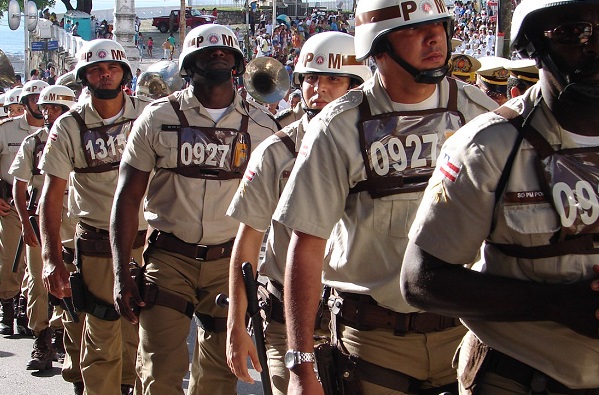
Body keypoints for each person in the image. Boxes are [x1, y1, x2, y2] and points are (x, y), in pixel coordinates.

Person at [271, 0, 498, 393]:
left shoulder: (482, 114)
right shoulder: (336, 128)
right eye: (413, 30)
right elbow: (306, 246)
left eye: (439, 26)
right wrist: (301, 365)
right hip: (373, 343)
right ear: (378, 47)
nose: (434, 38)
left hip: (469, 330)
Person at [401, 0, 599, 394]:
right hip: (519, 375)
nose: (594, 47)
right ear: (533, 46)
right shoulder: (488, 146)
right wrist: (556, 304)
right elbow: (421, 279)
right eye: (573, 32)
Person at [110, 24, 278, 395]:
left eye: (226, 52)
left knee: (219, 376)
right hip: (169, 258)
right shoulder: (156, 118)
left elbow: (278, 206)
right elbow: (127, 196)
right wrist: (122, 270)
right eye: (206, 52)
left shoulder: (264, 126)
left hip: (230, 262)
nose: (217, 55)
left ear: (237, 62)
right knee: (160, 372)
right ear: (188, 64)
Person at [226, 31, 372, 395]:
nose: (318, 89)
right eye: (310, 78)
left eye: (332, 79)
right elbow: (247, 245)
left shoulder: (378, 147)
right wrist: (235, 326)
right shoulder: (275, 152)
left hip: (356, 322)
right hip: (284, 322)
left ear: (357, 85)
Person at [39, 39, 145, 395]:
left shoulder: (149, 114)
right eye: (96, 69)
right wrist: (51, 259)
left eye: (112, 67)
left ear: (124, 72)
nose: (105, 74)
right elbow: (50, 198)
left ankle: (128, 388)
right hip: (96, 244)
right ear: (84, 76)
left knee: (140, 334)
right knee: (102, 333)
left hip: (148, 243)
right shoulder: (68, 126)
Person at [8, 84, 77, 372]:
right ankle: (41, 337)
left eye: (56, 108)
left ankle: (64, 335)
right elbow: (19, 186)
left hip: (74, 221)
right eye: (46, 108)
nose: (49, 113)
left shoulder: (82, 139)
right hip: (41, 220)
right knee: (38, 282)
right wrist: (25, 223)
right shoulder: (34, 143)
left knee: (73, 283)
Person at [0, 80, 48, 337]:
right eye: (33, 99)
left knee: (38, 268)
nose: (39, 105)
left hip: (45, 205)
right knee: (10, 260)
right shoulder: (6, 130)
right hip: (11, 203)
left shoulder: (58, 129)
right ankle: (7, 305)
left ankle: (26, 311)